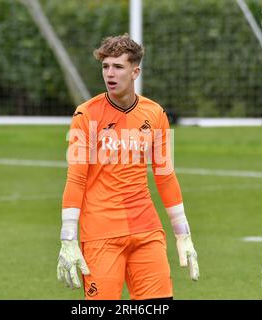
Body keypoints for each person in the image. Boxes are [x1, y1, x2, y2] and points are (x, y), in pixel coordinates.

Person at [57, 34, 199, 300]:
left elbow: (165, 175)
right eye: (105, 67)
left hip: (146, 229)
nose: (110, 74)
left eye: (118, 67)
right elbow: (76, 179)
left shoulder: (156, 114)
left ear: (135, 72)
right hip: (101, 233)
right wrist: (68, 238)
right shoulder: (85, 115)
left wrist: (183, 235)